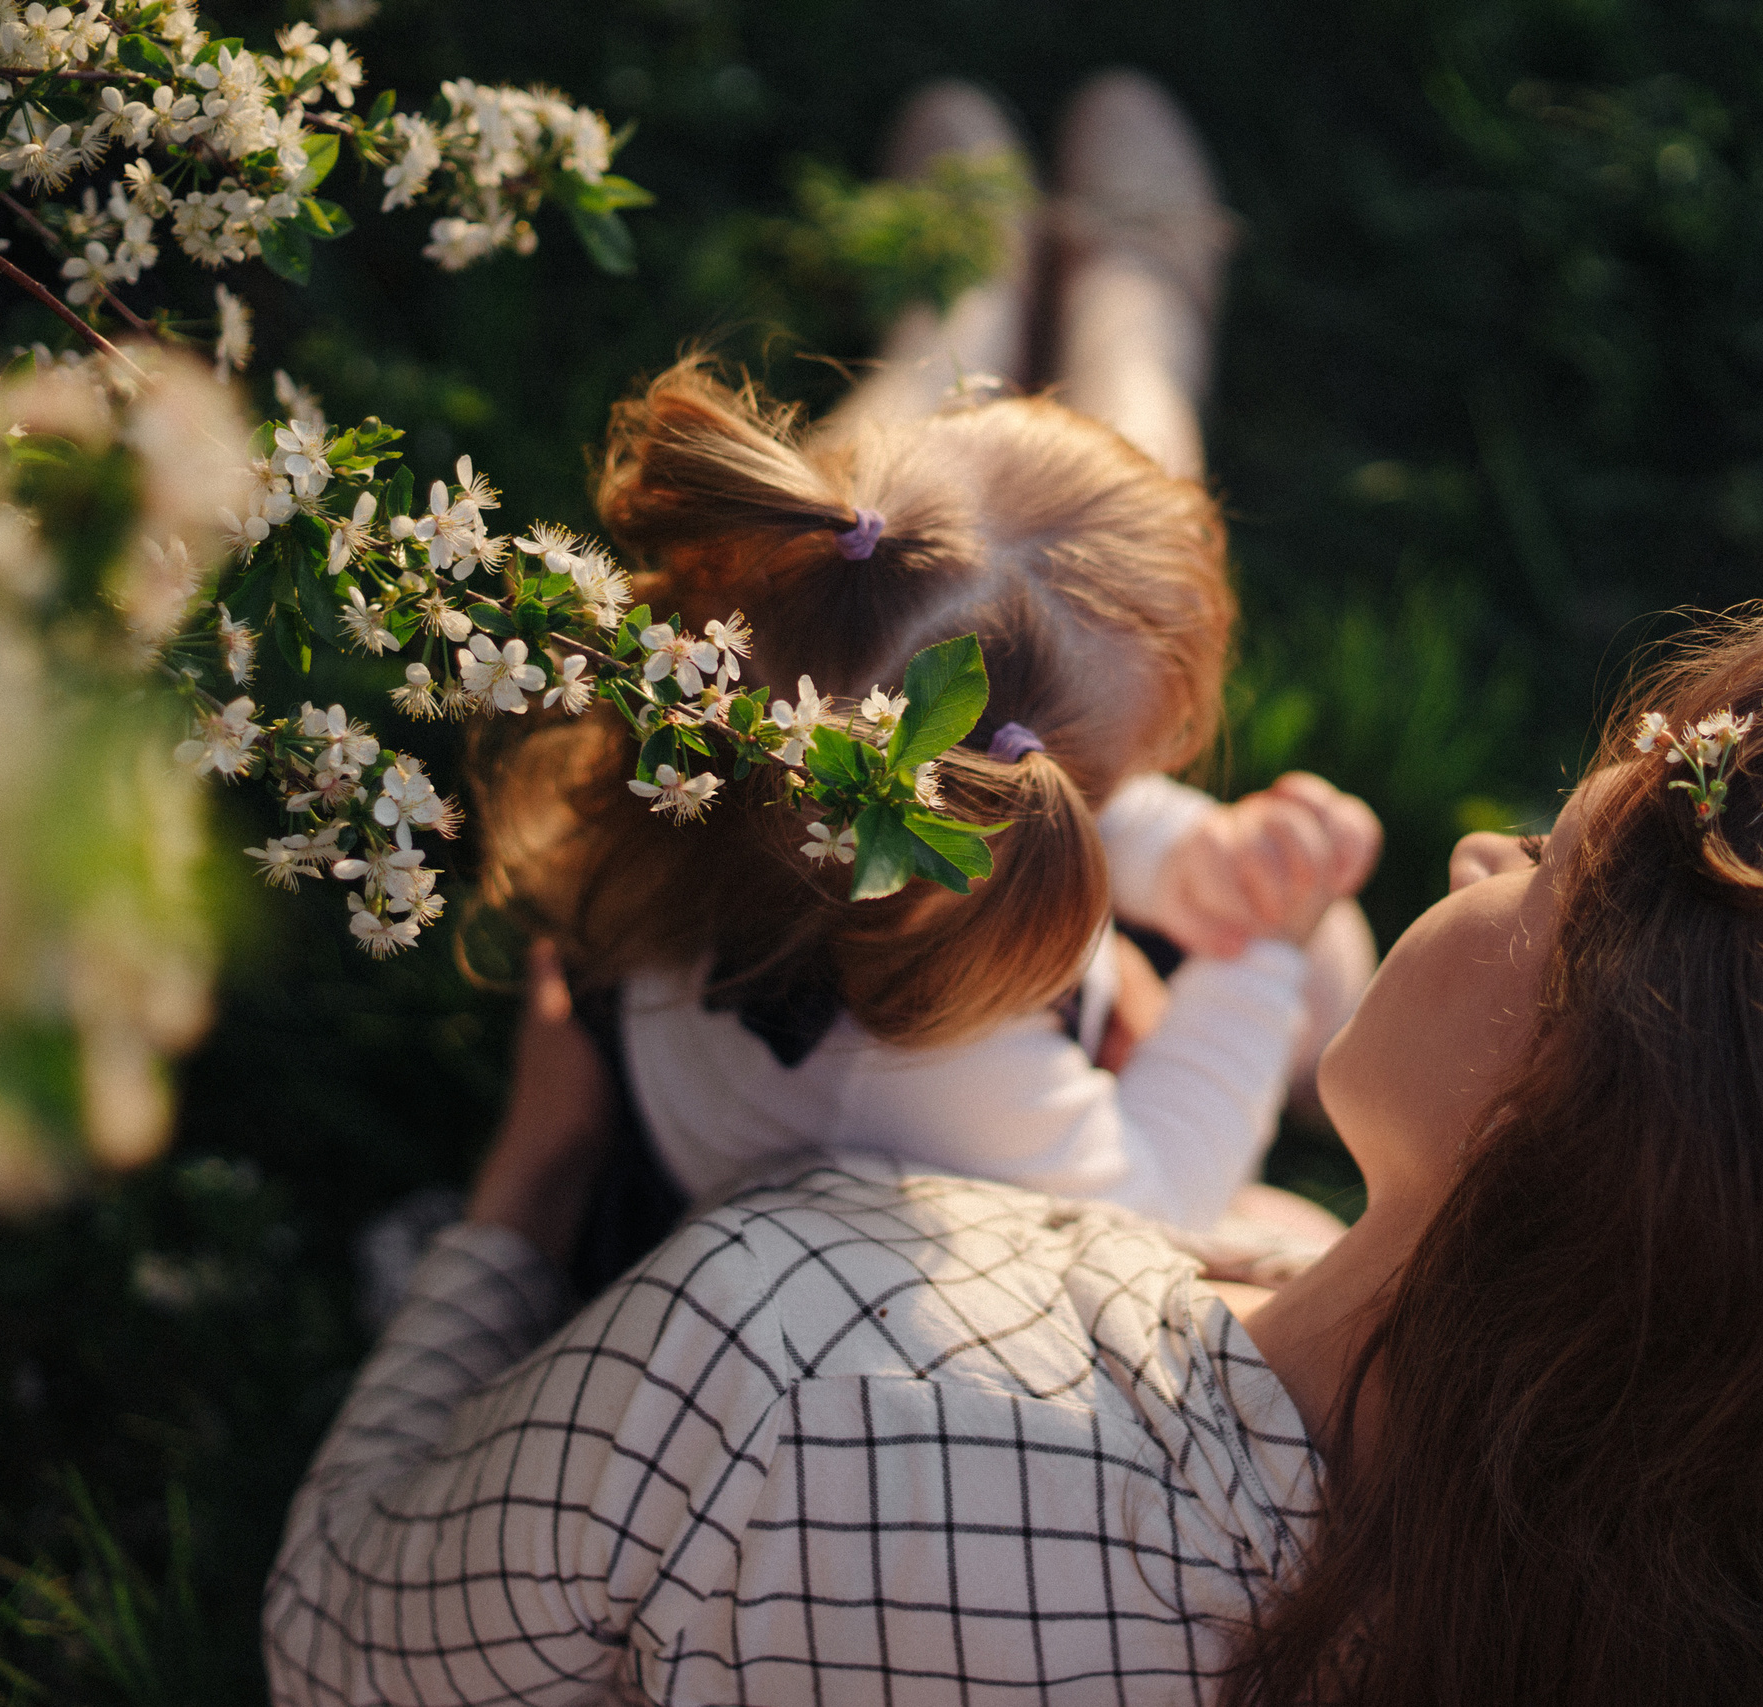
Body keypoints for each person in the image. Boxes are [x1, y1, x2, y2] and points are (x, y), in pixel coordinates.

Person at [265, 609, 1763, 1706]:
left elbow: (343, 1638)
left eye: (1547, 868)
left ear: (1564, 1125)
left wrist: (522, 1202)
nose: (1481, 848)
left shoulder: (814, 1327)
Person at [467, 72, 1379, 1290]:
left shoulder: (712, 782)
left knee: (988, 570)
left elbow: (1034, 799)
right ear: (1017, 798)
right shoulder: (932, 1061)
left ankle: (972, 285)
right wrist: (1254, 953)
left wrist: (1179, 861)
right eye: (1124, 781)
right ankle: (1114, 293)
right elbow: (1156, 1196)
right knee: (1325, 962)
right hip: (965, 1193)